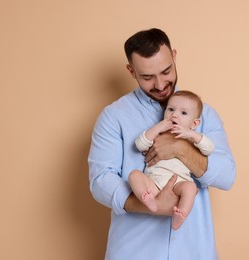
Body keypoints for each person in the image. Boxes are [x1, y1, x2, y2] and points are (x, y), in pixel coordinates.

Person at [88, 28, 236, 260]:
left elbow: (227, 176)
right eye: (147, 77)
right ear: (131, 71)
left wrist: (181, 149)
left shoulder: (204, 115)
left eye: (166, 71)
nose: (159, 84)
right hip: (133, 252)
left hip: (194, 251)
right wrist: (149, 204)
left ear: (174, 56)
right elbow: (100, 180)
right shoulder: (113, 116)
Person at [129, 90, 215, 230]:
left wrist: (191, 134)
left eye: (183, 113)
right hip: (154, 183)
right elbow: (140, 145)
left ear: (194, 123)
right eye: (170, 109)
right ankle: (150, 201)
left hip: (178, 184)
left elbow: (209, 148)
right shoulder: (159, 134)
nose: (174, 114)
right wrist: (158, 127)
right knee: (134, 175)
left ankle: (181, 215)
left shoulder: (191, 139)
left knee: (191, 187)